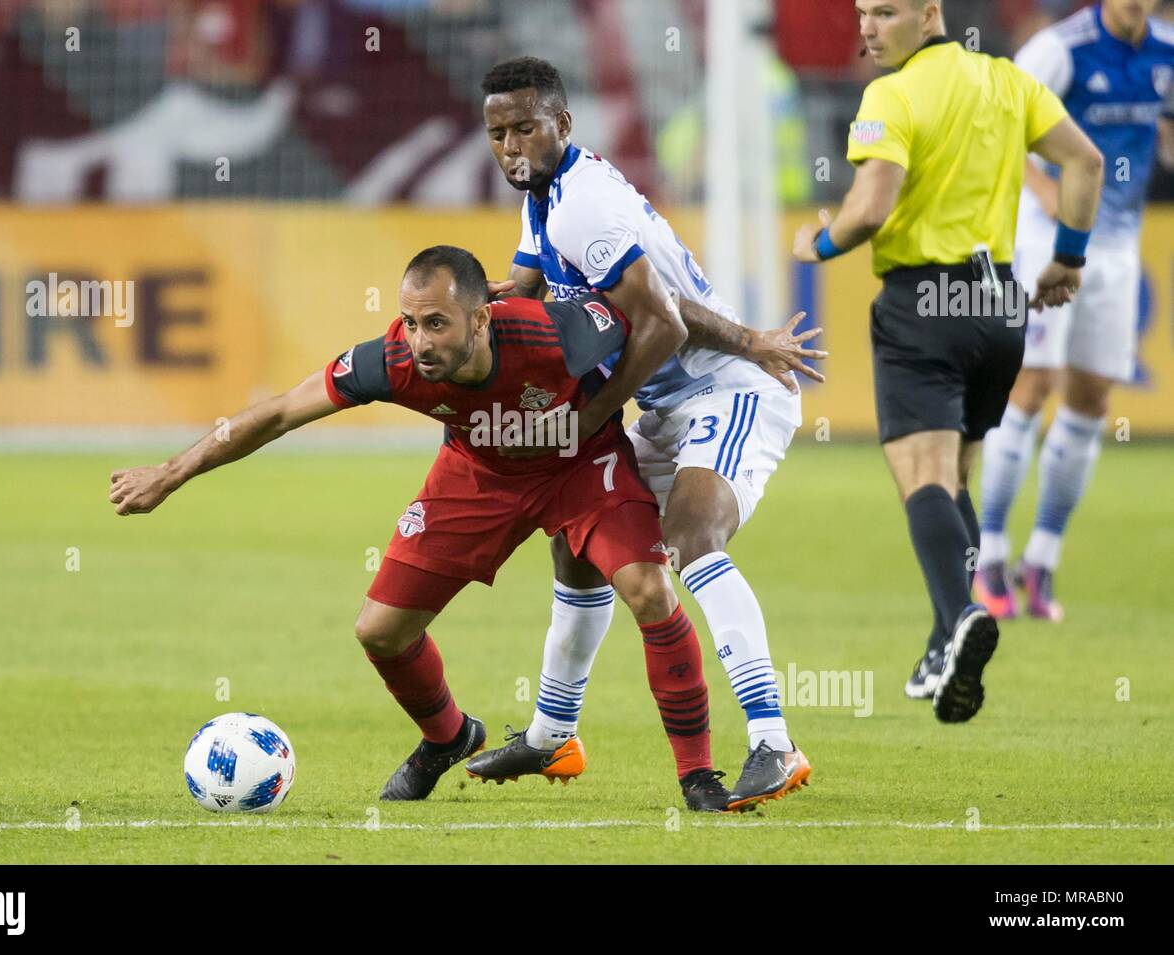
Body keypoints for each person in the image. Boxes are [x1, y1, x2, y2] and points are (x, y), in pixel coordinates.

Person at [109, 245, 748, 812]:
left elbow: (661, 314)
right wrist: (171, 473)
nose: (419, 340)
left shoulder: (558, 333)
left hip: (581, 463)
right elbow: (277, 413)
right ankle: (448, 737)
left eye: (436, 323)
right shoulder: (391, 362)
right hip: (477, 476)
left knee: (648, 589)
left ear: (480, 318)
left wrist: (733, 354)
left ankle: (697, 778)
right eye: (411, 322)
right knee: (380, 632)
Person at [467, 56, 825, 810]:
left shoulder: (581, 207)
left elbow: (663, 318)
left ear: (563, 124)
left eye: (525, 128)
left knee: (693, 537)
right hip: (666, 404)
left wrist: (593, 420)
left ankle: (773, 741)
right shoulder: (545, 196)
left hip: (724, 391)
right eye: (498, 133)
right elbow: (529, 289)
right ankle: (552, 733)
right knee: (578, 545)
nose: (511, 147)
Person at [792, 0, 1102, 720]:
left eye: (886, 12)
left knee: (919, 476)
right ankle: (943, 643)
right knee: (953, 474)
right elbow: (1084, 161)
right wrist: (1069, 259)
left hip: (921, 301)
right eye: (863, 13)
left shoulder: (889, 95)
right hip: (998, 306)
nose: (868, 26)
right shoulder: (1006, 81)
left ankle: (960, 617)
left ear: (929, 13)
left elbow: (870, 208)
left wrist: (821, 245)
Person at [976, 0, 1174, 621]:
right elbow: (997, 131)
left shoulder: (1165, 51)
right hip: (1041, 240)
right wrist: (1048, 198)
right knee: (1029, 388)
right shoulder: (1059, 49)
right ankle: (989, 557)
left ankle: (1041, 559)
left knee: (1091, 400)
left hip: (1116, 248)